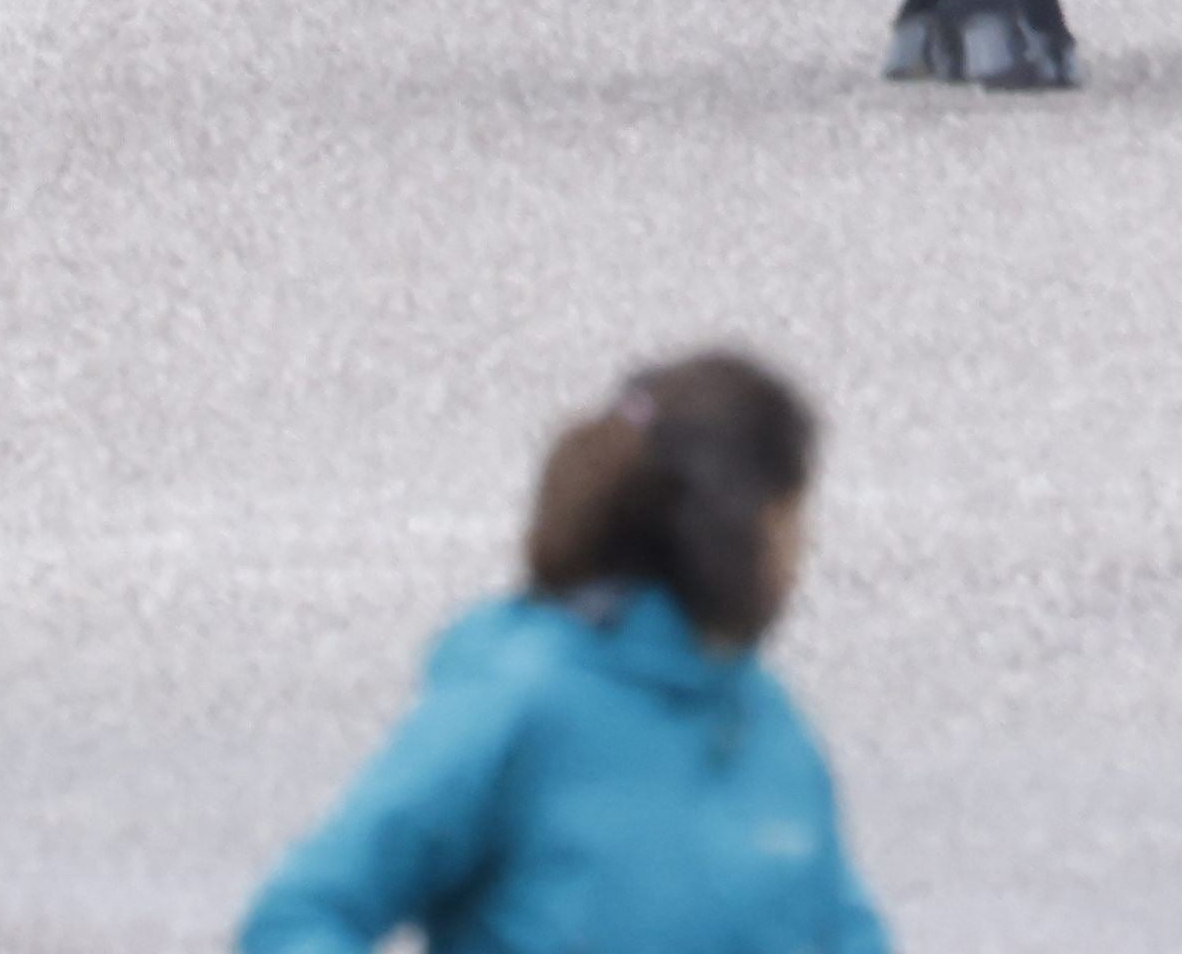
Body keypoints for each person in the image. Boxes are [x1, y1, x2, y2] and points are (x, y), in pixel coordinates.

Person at [242, 347, 888, 953]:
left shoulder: (769, 727)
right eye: (792, 517)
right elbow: (298, 920)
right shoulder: (518, 705)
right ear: (733, 525)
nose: (805, 552)